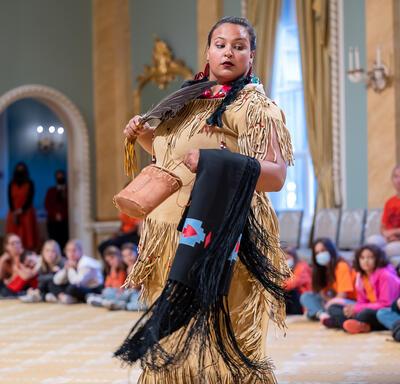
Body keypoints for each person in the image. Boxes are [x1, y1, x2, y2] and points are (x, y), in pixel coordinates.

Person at [121, 16, 294, 383]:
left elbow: (276, 175)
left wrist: (215, 161)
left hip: (219, 235)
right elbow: (176, 160)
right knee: (169, 340)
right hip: (167, 235)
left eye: (238, 46)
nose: (228, 52)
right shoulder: (187, 100)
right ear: (208, 52)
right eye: (220, 44)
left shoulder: (254, 106)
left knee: (220, 336)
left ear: (251, 55)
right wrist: (145, 137)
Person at [323, 244, 400, 333]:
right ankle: (356, 324)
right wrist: (352, 309)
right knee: (334, 307)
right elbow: (361, 301)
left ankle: (344, 323)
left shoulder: (386, 275)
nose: (365, 261)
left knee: (367, 314)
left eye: (370, 257)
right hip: (367, 308)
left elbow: (386, 304)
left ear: (378, 259)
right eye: (362, 258)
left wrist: (356, 309)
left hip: (385, 310)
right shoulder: (361, 275)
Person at [300, 238, 356, 320]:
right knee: (306, 296)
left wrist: (329, 302)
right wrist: (328, 300)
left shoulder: (341, 266)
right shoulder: (322, 270)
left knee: (332, 307)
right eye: (317, 253)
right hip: (335, 301)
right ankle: (321, 314)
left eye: (323, 250)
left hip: (350, 301)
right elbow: (323, 293)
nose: (320, 254)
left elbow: (341, 296)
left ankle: (317, 313)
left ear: (331, 250)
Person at [52, 239, 103, 304]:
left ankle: (76, 298)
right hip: (80, 287)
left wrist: (71, 269)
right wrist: (66, 269)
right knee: (52, 282)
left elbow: (76, 282)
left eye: (74, 250)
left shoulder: (86, 263)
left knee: (71, 288)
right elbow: (56, 280)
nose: (71, 254)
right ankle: (65, 297)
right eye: (68, 251)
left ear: (80, 251)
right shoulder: (71, 261)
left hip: (94, 289)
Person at [367, 165, 400, 264]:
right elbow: (383, 228)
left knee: (384, 250)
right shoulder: (389, 202)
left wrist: (394, 234)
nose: (398, 180)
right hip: (389, 239)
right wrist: (388, 235)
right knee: (371, 241)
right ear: (392, 180)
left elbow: (388, 232)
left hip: (397, 241)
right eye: (395, 176)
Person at [6, 162, 40, 250]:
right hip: (13, 211)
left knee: (27, 234)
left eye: (22, 169)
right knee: (13, 232)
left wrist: (21, 210)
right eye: (18, 168)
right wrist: (14, 212)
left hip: (26, 212)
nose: (20, 171)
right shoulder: (11, 184)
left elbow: (30, 198)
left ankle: (27, 252)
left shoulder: (30, 183)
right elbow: (9, 198)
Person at [44, 170, 69, 250]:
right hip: (53, 221)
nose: (60, 178)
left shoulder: (69, 190)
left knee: (65, 240)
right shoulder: (51, 191)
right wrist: (55, 214)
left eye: (61, 176)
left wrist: (62, 214)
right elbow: (47, 205)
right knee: (54, 241)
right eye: (58, 176)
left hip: (66, 220)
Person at [283, 246, 311, 315]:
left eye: (287, 258)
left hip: (304, 303)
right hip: (298, 301)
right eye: (283, 259)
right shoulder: (287, 269)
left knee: (290, 291)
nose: (285, 261)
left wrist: (273, 283)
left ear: (294, 257)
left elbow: (292, 284)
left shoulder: (301, 267)